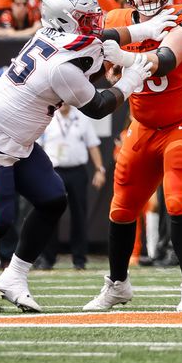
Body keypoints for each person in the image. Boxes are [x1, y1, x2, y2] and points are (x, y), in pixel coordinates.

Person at [0, 0, 166, 314]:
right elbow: (98, 106)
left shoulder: (57, 36)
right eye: (86, 18)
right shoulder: (61, 66)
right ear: (66, 21)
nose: (94, 22)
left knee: (52, 199)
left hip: (18, 139)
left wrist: (145, 29)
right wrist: (131, 79)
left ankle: (14, 277)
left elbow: (103, 37)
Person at [83, 0, 182, 313]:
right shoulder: (116, 19)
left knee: (177, 201)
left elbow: (166, 59)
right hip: (141, 125)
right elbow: (90, 48)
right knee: (121, 208)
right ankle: (117, 284)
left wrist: (121, 58)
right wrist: (107, 66)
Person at [36, 103, 106, 270]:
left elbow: (93, 145)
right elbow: (36, 145)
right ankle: (47, 258)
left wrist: (100, 169)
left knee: (79, 215)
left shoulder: (82, 117)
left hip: (77, 171)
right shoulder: (47, 117)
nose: (64, 102)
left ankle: (79, 259)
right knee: (51, 214)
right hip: (53, 171)